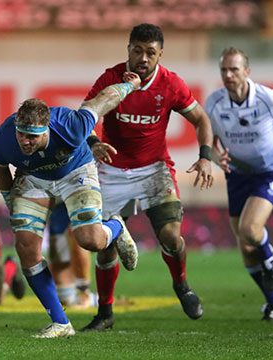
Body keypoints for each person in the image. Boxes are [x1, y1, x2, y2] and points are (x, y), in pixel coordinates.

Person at [82, 23, 214, 331]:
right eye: (137, 50)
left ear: (160, 55)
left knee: (170, 236)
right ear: (128, 49)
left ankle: (181, 284)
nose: (143, 58)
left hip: (155, 169)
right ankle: (105, 313)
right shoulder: (111, 78)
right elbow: (87, 113)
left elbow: (201, 118)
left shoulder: (170, 84)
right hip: (113, 171)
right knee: (104, 245)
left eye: (150, 53)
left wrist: (205, 157)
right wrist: (94, 143)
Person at [0, 73, 142, 338]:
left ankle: (115, 226)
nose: (25, 141)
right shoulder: (4, 138)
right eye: (21, 134)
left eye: (32, 137)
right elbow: (0, 166)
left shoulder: (69, 125)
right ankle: (61, 323)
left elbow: (102, 101)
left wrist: (130, 85)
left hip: (76, 172)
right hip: (34, 179)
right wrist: (9, 199)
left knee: (90, 240)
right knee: (26, 245)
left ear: (46, 129)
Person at [205, 47, 273, 321]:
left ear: (247, 72)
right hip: (237, 176)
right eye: (224, 70)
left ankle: (270, 259)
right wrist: (217, 159)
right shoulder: (215, 103)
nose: (228, 75)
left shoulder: (267, 98)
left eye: (234, 69)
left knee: (251, 230)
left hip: (270, 172)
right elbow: (208, 141)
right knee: (244, 245)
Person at [47, 202, 96, 308]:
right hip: (57, 202)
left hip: (76, 195)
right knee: (65, 297)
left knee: (77, 233)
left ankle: (84, 293)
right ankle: (94, 299)